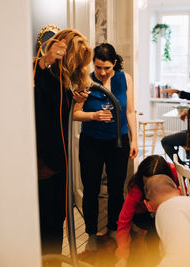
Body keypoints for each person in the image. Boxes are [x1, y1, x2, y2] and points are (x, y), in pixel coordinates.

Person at [73, 43, 138, 251]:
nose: (101, 72)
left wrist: (134, 140)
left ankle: (112, 230)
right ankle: (91, 233)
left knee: (116, 188)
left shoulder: (124, 78)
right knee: (90, 188)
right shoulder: (84, 80)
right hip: (91, 141)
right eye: (98, 67)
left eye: (106, 68)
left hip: (118, 141)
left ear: (115, 64)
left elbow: (129, 112)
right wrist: (93, 116)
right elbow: (75, 114)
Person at [34, 29, 92, 255]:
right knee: (45, 223)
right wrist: (44, 60)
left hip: (59, 163)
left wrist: (76, 102)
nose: (79, 67)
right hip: (43, 164)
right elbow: (25, 77)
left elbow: (65, 118)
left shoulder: (65, 84)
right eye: (77, 61)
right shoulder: (42, 75)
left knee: (56, 219)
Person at [115, 155, 178, 267]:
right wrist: (122, 254)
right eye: (146, 185)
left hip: (165, 211)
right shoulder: (136, 189)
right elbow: (124, 221)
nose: (149, 190)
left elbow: (181, 203)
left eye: (154, 187)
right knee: (153, 235)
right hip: (142, 216)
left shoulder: (174, 173)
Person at [160, 67, 190, 165]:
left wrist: (186, 112)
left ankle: (180, 166)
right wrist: (177, 91)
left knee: (165, 141)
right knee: (183, 133)